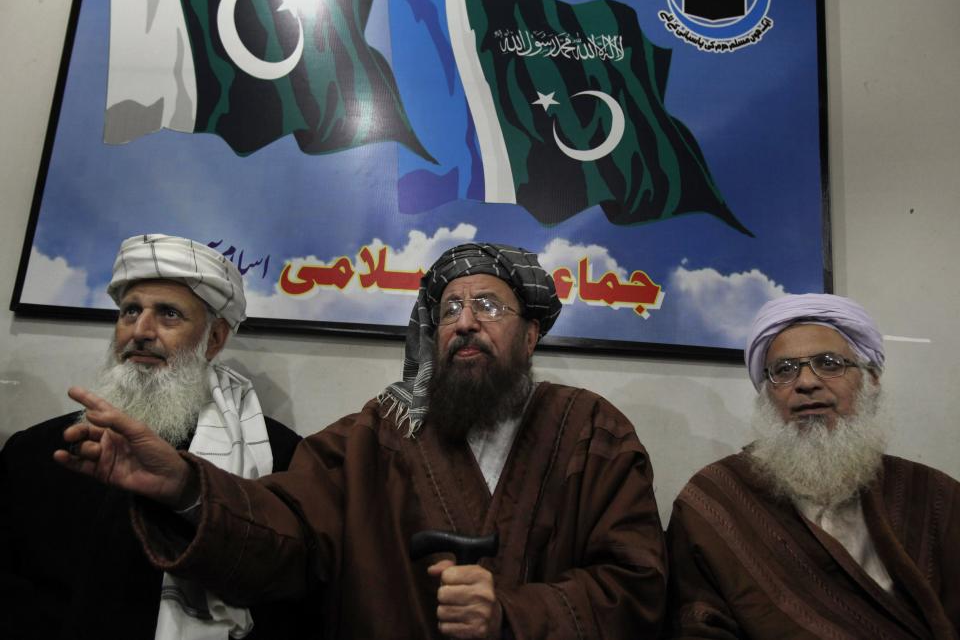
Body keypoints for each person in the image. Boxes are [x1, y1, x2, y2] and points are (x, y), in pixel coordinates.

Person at [55, 243, 668, 639]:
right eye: (450, 309)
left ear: (531, 337)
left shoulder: (593, 432)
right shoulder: (374, 434)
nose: (465, 322)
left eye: (488, 306)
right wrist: (186, 488)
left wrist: (513, 615)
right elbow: (285, 532)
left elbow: (638, 584)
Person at [0, 234, 307, 640]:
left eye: (169, 315)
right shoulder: (36, 450)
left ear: (214, 339)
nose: (140, 331)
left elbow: (287, 594)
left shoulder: (276, 455)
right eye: (130, 311)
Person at [666, 293, 960, 639]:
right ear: (766, 392)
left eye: (830, 363)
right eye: (784, 370)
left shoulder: (934, 495)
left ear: (871, 380)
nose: (806, 382)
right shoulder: (715, 500)